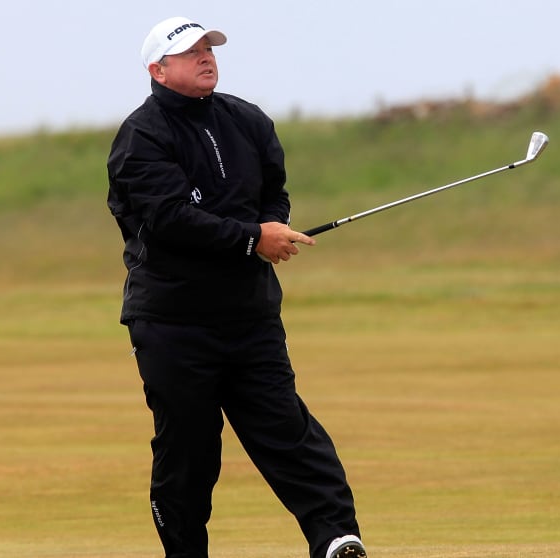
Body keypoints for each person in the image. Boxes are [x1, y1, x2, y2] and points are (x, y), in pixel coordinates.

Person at [106, 16, 366, 558]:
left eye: (208, 48)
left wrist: (271, 226)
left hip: (250, 314)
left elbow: (273, 192)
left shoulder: (247, 119)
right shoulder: (142, 137)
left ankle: (336, 538)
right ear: (158, 70)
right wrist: (253, 239)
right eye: (190, 52)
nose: (206, 57)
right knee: (190, 452)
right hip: (174, 322)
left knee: (288, 431)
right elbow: (169, 219)